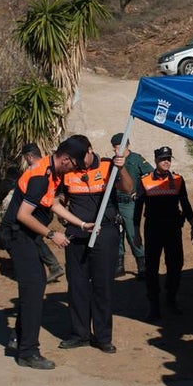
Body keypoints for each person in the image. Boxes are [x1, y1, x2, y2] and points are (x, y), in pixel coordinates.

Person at [0, 136, 91, 370]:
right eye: (75, 164)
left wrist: (81, 224)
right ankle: (28, 352)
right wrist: (52, 235)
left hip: (27, 236)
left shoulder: (52, 172)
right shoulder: (41, 177)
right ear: (66, 159)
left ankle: (19, 337)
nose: (74, 169)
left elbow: (52, 204)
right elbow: (23, 215)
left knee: (35, 285)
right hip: (18, 235)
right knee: (34, 286)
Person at [55, 135, 134, 354]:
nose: (80, 163)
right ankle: (79, 334)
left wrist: (122, 168)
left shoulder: (109, 165)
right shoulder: (69, 170)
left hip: (105, 232)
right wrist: (62, 210)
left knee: (103, 286)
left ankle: (102, 337)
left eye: (83, 158)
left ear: (91, 150)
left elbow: (128, 188)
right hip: (76, 232)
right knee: (77, 285)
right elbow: (60, 195)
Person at [134, 146, 193, 321]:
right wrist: (136, 232)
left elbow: (185, 203)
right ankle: (153, 304)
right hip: (153, 228)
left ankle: (171, 298)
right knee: (152, 267)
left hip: (172, 228)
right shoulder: (145, 180)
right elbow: (138, 207)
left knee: (176, 265)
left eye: (168, 158)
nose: (166, 161)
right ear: (155, 161)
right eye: (163, 159)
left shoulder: (178, 179)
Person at [22, 143, 65, 284]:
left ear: (29, 156)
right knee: (35, 238)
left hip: (40, 209)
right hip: (47, 209)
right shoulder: (48, 166)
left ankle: (53, 267)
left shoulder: (36, 170)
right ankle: (51, 267)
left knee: (35, 238)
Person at [111, 133, 152, 279]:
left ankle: (142, 266)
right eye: (114, 149)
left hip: (130, 203)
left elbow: (150, 175)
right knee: (117, 234)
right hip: (116, 202)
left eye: (118, 148)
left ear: (127, 145)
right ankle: (119, 265)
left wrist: (140, 192)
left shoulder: (136, 159)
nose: (116, 152)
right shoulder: (113, 162)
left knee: (133, 234)